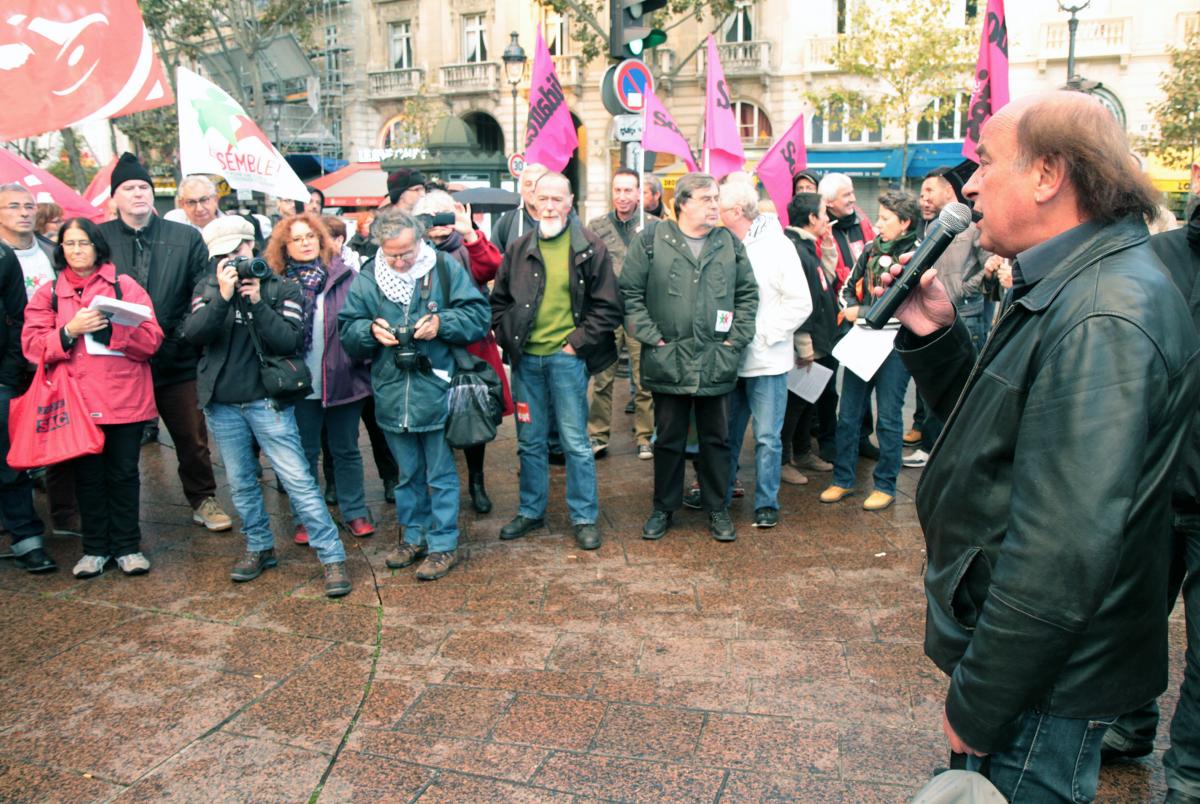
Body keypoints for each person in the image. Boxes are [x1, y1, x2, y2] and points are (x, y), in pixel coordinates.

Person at [878, 91, 1198, 801]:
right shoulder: (1080, 282)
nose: (969, 184)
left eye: (987, 162)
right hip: (1040, 661)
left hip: (1048, 676)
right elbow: (1004, 432)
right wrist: (936, 338)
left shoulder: (1104, 313)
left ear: (1048, 175)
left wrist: (982, 700)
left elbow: (1064, 545)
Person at [184, 216, 352, 597]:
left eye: (239, 251)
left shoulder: (282, 287)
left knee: (298, 480)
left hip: (267, 401)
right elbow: (193, 334)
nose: (233, 261)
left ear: (253, 247)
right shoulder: (207, 287)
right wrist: (222, 298)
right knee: (241, 483)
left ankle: (332, 556)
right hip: (223, 404)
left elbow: (289, 340)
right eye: (223, 256)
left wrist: (257, 302)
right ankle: (258, 547)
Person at [1101, 163, 1200, 804]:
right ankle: (1130, 725)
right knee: (1134, 620)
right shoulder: (1156, 258)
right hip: (1158, 480)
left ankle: (1189, 769)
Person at [339, 211, 490, 581]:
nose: (401, 261)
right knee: (407, 475)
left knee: (440, 473)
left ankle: (442, 544)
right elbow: (347, 329)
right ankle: (413, 536)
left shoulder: (441, 267)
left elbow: (478, 315)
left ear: (420, 241)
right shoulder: (369, 277)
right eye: (392, 255)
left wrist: (442, 323)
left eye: (407, 252)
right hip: (391, 390)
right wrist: (370, 331)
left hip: (436, 385)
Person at [620, 172, 758, 543]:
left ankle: (717, 507)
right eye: (707, 198)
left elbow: (747, 295)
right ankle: (663, 508)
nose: (716, 205)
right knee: (668, 440)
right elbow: (630, 295)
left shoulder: (727, 242)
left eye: (717, 198)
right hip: (669, 359)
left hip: (716, 359)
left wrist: (735, 341)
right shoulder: (652, 239)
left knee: (717, 439)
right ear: (682, 202)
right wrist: (654, 339)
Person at [98, 153, 233, 532]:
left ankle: (203, 497)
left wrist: (179, 336)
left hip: (176, 356)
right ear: (115, 198)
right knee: (117, 441)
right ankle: (115, 512)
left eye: (144, 186)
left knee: (191, 437)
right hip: (119, 358)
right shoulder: (101, 238)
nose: (138, 193)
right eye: (129, 188)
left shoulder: (184, 236)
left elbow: (201, 290)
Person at [23, 218, 164, 578]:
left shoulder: (124, 285)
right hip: (77, 403)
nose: (77, 250)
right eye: (69, 244)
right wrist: (69, 331)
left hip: (124, 398)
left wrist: (112, 330)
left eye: (83, 243)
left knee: (123, 474)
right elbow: (32, 346)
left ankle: (129, 547)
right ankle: (95, 549)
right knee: (87, 478)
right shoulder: (49, 293)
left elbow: (151, 339)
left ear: (97, 246)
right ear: (61, 250)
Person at [490, 172, 621, 551]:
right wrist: (509, 338)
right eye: (541, 198)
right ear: (532, 201)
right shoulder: (518, 248)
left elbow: (608, 306)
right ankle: (531, 511)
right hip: (527, 362)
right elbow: (498, 302)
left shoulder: (589, 247)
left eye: (556, 199)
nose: (548, 205)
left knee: (575, 442)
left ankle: (584, 517)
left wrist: (575, 345)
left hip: (567, 362)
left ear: (569, 202)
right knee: (529, 440)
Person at [264, 213, 374, 543]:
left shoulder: (346, 276)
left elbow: (363, 321)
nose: (305, 242)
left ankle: (355, 512)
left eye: (311, 236)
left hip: (344, 378)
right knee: (304, 454)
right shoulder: (275, 282)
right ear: (285, 246)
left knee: (346, 450)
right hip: (298, 384)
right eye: (297, 239)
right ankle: (306, 517)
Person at [715, 180, 811, 528]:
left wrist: (765, 336)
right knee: (726, 435)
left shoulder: (778, 247)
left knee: (768, 437)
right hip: (729, 360)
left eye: (720, 207)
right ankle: (720, 498)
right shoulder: (722, 242)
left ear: (736, 211)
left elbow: (800, 302)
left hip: (767, 361)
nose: (715, 213)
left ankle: (766, 502)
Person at [413, 191, 513, 514]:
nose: (438, 223)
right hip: (428, 348)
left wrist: (469, 232)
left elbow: (494, 267)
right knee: (434, 420)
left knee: (473, 416)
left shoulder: (468, 247)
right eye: (430, 216)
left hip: (470, 348)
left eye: (443, 215)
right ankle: (440, 484)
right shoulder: (411, 251)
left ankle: (476, 483)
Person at [820, 190, 919, 512]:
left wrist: (860, 312)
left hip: (895, 347)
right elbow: (847, 288)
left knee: (889, 418)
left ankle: (885, 485)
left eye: (885, 219)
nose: (877, 224)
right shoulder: (871, 249)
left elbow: (907, 303)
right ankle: (843, 479)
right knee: (848, 416)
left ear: (905, 223)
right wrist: (852, 309)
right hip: (862, 343)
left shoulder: (919, 254)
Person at [902, 168, 995, 469]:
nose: (924, 198)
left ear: (947, 192)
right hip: (935, 316)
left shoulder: (972, 228)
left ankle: (951, 450)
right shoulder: (933, 229)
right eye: (921, 193)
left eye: (929, 190)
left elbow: (988, 265)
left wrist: (964, 291)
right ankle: (932, 445)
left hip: (966, 316)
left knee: (964, 384)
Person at [587, 168, 656, 460]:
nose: (622, 196)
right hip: (607, 312)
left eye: (628, 190)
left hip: (641, 312)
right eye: (618, 190)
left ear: (639, 193)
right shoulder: (596, 226)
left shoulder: (653, 226)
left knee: (644, 379)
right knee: (602, 378)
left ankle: (644, 437)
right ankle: (598, 435)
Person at [0, 242, 54, 572]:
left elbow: (19, 317)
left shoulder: (3, 255)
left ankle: (26, 538)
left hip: (1, 378)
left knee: (10, 462)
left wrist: (8, 375)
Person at [781, 192, 838, 481]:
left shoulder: (808, 247)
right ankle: (782, 461)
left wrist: (827, 247)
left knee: (807, 401)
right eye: (824, 213)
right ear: (812, 218)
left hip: (819, 340)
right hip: (808, 345)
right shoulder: (794, 249)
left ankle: (802, 452)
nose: (828, 218)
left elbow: (824, 283)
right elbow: (800, 302)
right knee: (794, 405)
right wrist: (805, 347)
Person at [0, 184, 56, 301]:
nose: (24, 213)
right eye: (14, 207)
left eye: (29, 207)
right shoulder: (3, 257)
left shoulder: (55, 252)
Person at [492, 163, 548, 254]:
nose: (533, 188)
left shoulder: (563, 221)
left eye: (538, 183)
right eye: (528, 184)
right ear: (521, 189)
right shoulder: (507, 222)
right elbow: (493, 260)